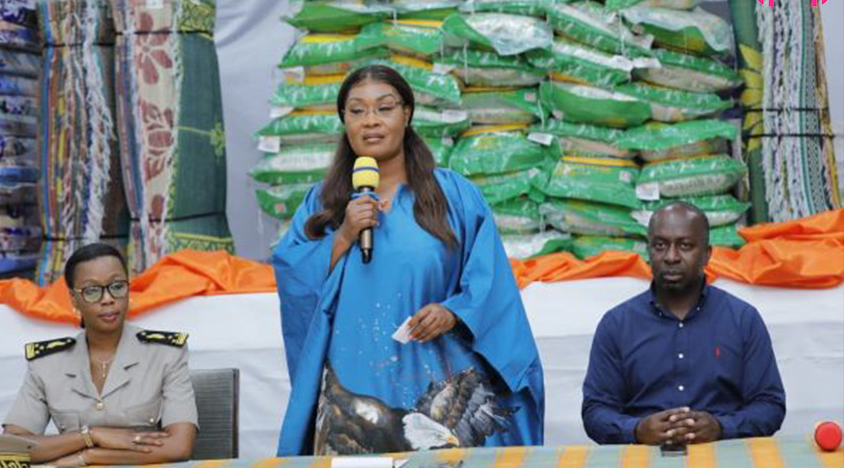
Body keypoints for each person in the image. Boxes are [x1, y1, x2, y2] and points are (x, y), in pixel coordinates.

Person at [273, 64, 544, 456]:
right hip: (352, 393)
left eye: (384, 108)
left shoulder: (453, 197)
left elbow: (492, 285)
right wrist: (345, 235)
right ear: (344, 121)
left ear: (407, 114)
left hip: (434, 387)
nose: (371, 121)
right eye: (357, 110)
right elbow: (293, 278)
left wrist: (454, 312)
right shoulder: (323, 204)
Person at [581, 202, 786, 445]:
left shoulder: (742, 320)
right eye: (660, 245)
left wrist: (721, 427)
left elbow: (770, 405)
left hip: (722, 457)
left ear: (707, 254)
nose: (671, 257)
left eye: (685, 246)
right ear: (649, 251)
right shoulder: (617, 324)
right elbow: (595, 411)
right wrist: (636, 430)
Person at [2, 243, 198, 466]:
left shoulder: (165, 353)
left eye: (117, 286)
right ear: (74, 300)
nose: (108, 298)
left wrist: (89, 456)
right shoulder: (47, 362)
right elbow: (9, 448)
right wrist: (90, 435)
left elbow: (180, 447)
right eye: (92, 290)